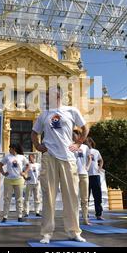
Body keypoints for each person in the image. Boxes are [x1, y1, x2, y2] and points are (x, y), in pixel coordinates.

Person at [31, 85, 89, 244]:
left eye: (48, 94)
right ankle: (47, 233)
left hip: (68, 158)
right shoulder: (44, 114)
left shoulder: (71, 111)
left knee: (71, 196)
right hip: (49, 157)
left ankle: (74, 231)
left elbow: (85, 128)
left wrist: (78, 143)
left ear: (57, 96)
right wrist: (37, 145)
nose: (46, 97)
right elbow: (34, 132)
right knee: (48, 196)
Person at [0, 143, 28, 222]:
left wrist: (24, 172)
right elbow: (0, 165)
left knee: (19, 199)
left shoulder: (21, 157)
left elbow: (28, 165)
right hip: (8, 180)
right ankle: (5, 217)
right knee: (7, 199)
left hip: (19, 180)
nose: (9, 150)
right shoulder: (7, 157)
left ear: (14, 149)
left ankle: (19, 216)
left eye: (10, 148)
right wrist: (3, 173)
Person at [73, 129, 92, 225]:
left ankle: (85, 218)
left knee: (84, 198)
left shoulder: (85, 147)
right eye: (72, 136)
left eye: (75, 135)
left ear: (80, 136)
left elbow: (89, 158)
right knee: (74, 198)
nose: (74, 137)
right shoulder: (70, 146)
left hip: (84, 174)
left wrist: (87, 167)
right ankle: (75, 220)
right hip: (74, 175)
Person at [87, 137, 105, 221]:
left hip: (95, 175)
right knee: (85, 196)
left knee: (97, 196)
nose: (86, 143)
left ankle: (99, 214)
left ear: (90, 142)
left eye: (87, 142)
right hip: (86, 176)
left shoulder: (96, 151)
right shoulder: (82, 150)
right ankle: (85, 214)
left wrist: (100, 168)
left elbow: (101, 160)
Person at [23, 154, 41, 218]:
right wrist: (25, 178)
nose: (30, 159)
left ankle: (37, 212)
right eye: (29, 158)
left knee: (37, 198)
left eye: (31, 158)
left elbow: (42, 172)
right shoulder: (27, 165)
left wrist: (39, 177)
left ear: (34, 158)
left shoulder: (38, 165)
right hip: (29, 183)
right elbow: (23, 172)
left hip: (36, 183)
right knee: (27, 198)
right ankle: (26, 212)